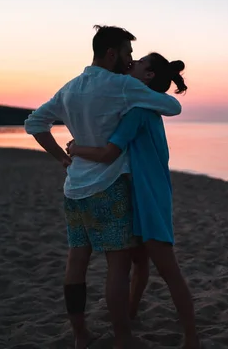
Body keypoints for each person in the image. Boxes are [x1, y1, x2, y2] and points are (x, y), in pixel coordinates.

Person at [24, 26, 182, 349]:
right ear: (111, 53)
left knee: (76, 262)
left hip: (74, 190)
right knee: (118, 267)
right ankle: (122, 337)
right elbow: (172, 107)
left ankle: (80, 335)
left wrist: (62, 159)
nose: (129, 60)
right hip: (109, 187)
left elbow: (34, 124)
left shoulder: (69, 89)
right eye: (127, 53)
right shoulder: (122, 85)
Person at [67, 53, 200, 348]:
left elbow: (108, 154)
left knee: (168, 270)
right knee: (139, 262)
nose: (134, 63)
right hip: (142, 194)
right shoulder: (143, 106)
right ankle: (131, 311)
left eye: (139, 62)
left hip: (149, 198)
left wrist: (76, 148)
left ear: (149, 75)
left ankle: (192, 337)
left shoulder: (139, 111)